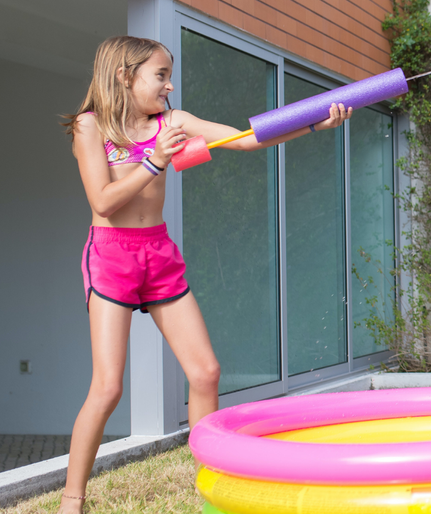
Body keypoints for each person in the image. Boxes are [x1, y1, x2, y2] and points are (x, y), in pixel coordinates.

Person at [58, 35, 351, 513]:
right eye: (160, 75)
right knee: (108, 387)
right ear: (123, 75)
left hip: (158, 253)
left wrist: (316, 122)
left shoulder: (172, 122)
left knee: (206, 371)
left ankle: (206, 487)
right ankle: (73, 500)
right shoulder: (90, 128)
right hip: (111, 256)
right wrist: (155, 160)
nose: (169, 86)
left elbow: (247, 139)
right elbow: (103, 203)